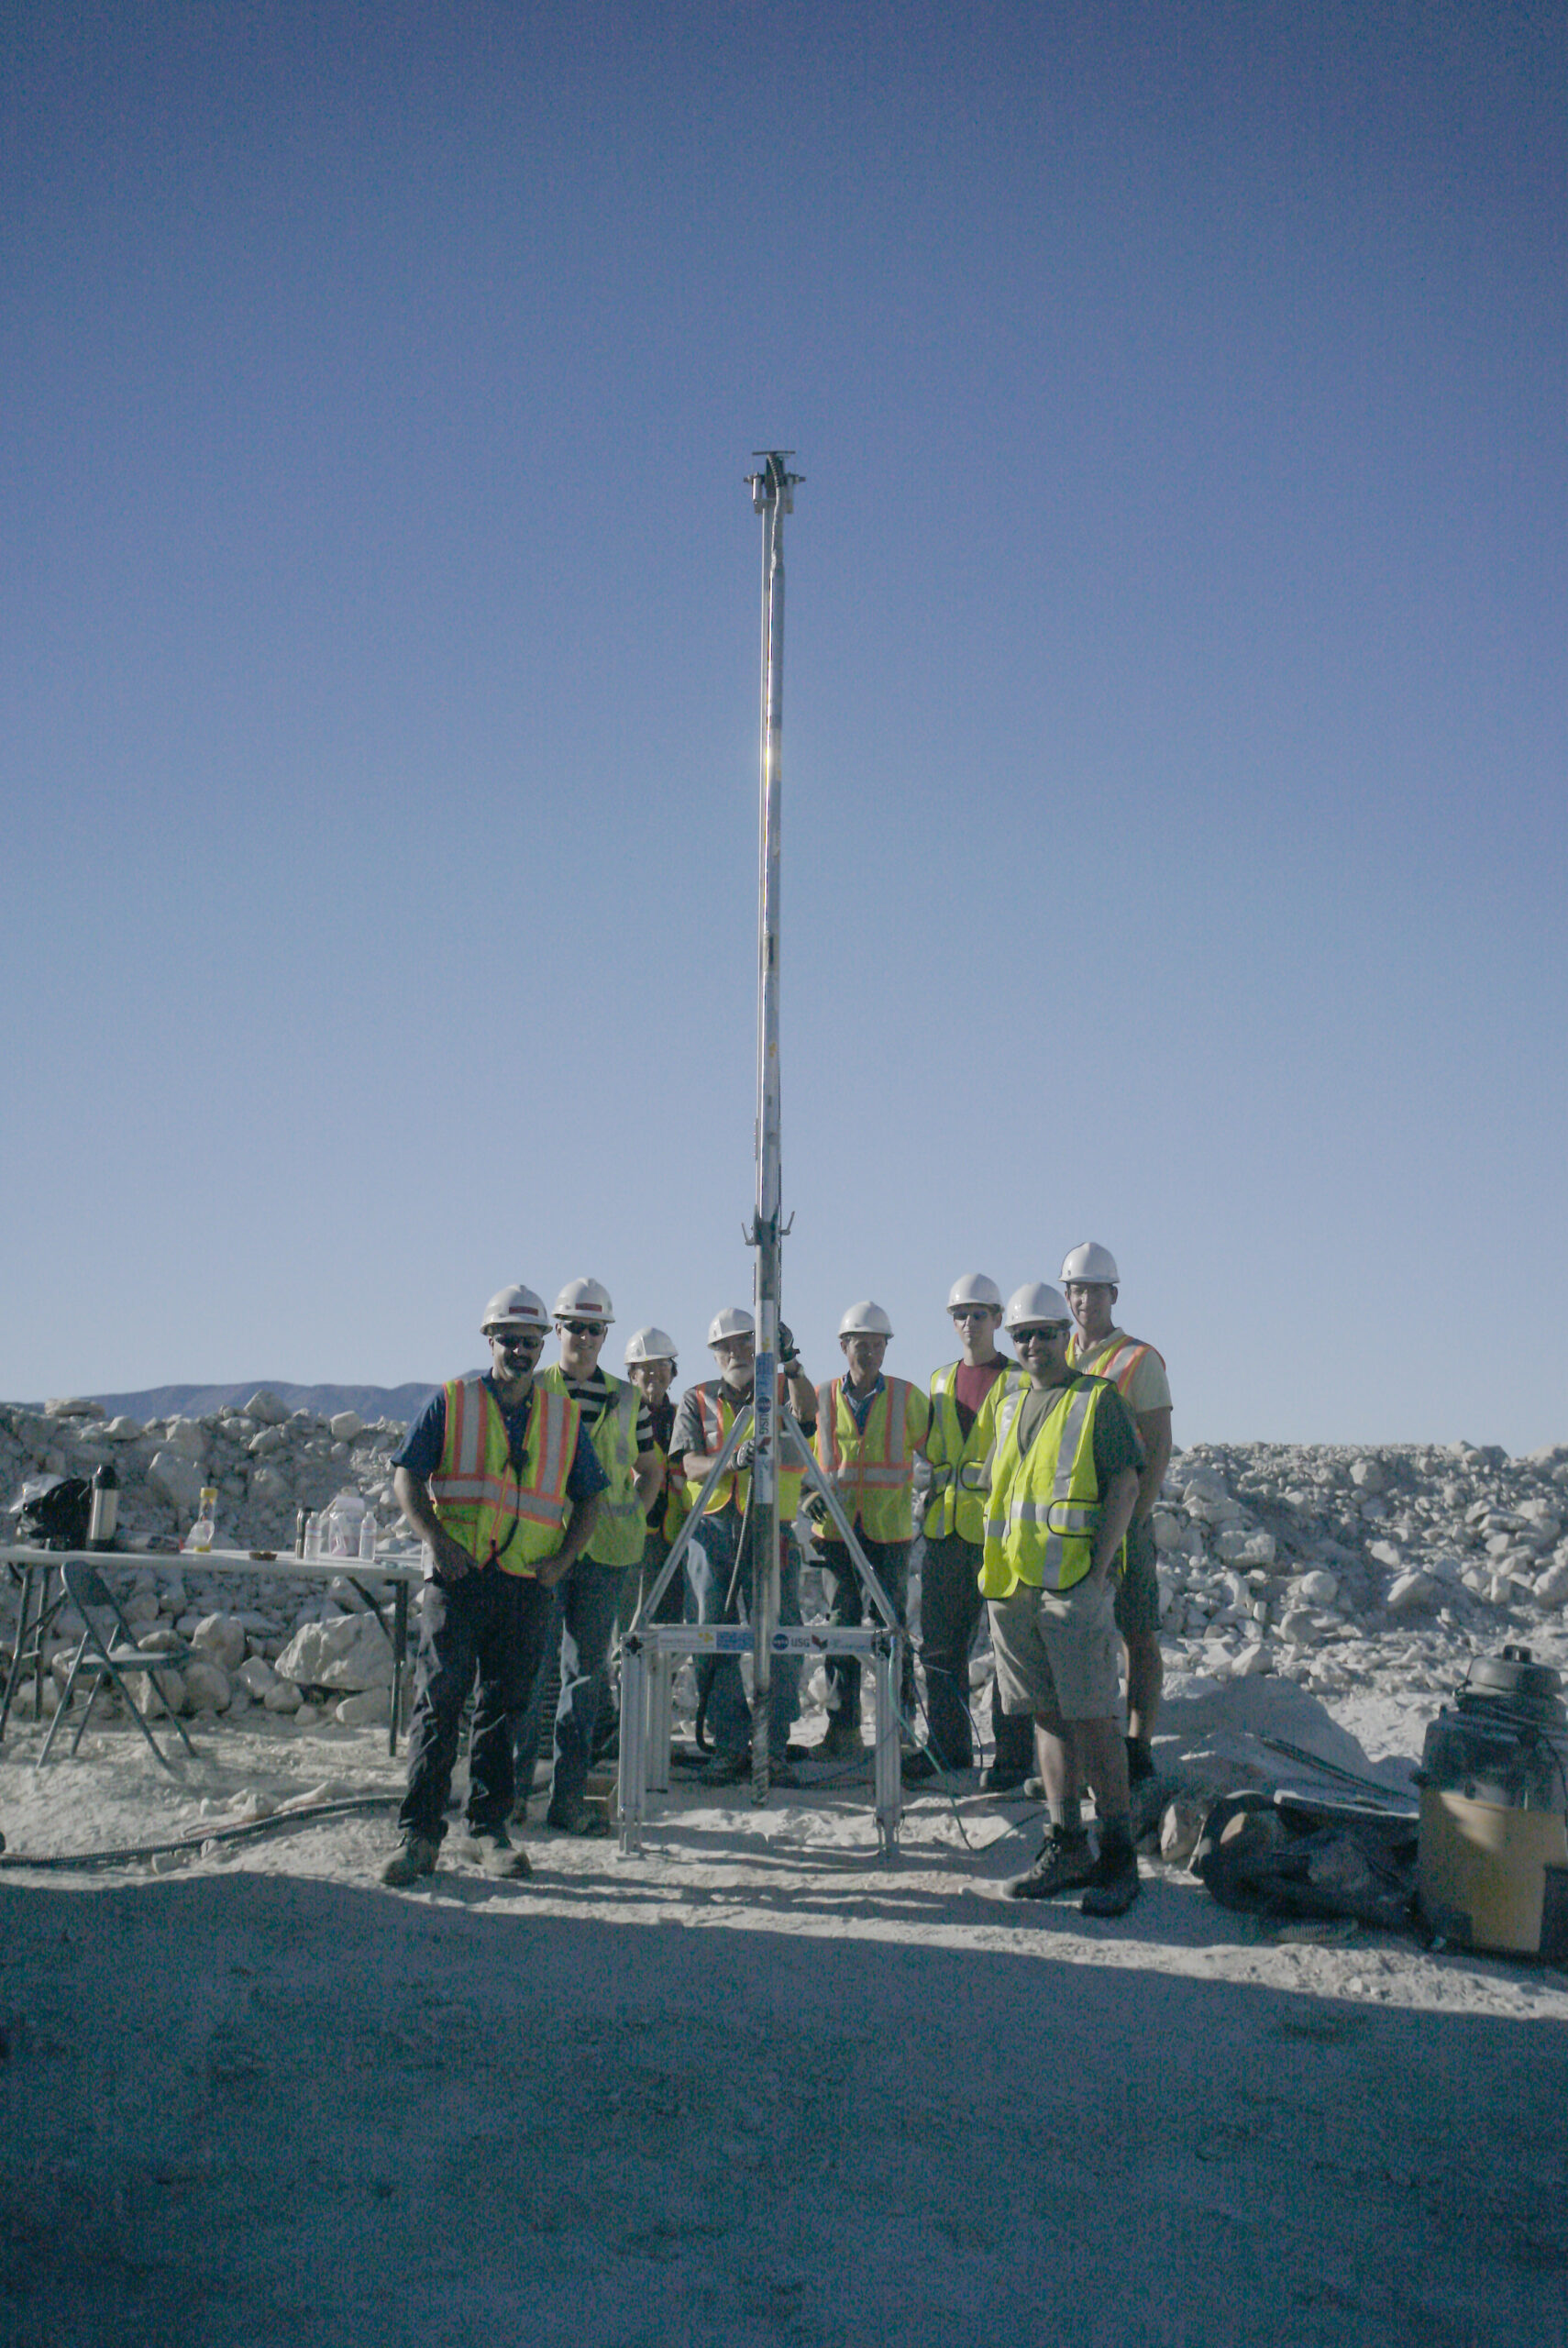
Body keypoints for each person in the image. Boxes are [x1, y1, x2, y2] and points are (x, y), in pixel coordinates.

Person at [381, 1284, 607, 1888]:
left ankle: (489, 1829)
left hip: (525, 1585)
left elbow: (590, 1496)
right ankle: (421, 1834)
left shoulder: (562, 1417)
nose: (520, 1350)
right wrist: (434, 1539)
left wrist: (560, 1564)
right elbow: (409, 1475)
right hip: (458, 1581)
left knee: (505, 1711)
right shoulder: (453, 1401)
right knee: (439, 1706)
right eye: (509, 1339)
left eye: (530, 1342)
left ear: (540, 1346)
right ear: (490, 1341)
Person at [979, 1282, 1144, 1914]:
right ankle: (1066, 1840)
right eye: (1022, 1334)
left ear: (1065, 1337)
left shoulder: (1095, 1400)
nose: (1032, 1344)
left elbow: (1125, 1486)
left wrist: (1099, 1573)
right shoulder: (1010, 1403)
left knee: (1094, 1720)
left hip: (1072, 1588)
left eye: (1045, 1332)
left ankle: (1119, 1855)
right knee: (1048, 1715)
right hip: (1017, 1589)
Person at [535, 1279, 662, 1833]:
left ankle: (566, 1799)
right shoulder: (535, 1390)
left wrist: (634, 1510)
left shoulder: (626, 1397)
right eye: (576, 1328)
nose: (585, 1339)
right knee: (529, 1673)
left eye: (595, 1330)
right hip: (539, 1550)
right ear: (558, 1330)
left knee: (585, 1678)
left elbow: (651, 1467)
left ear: (605, 1335)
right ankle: (512, 1794)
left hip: (606, 1554)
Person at [671, 1306, 815, 1784]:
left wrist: (790, 1364)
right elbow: (689, 1465)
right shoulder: (695, 1400)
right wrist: (732, 1459)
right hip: (712, 1531)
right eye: (725, 1346)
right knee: (712, 1635)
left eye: (743, 1343)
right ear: (714, 1355)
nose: (735, 1353)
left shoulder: (775, 1393)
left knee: (783, 1634)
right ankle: (731, 1743)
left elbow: (808, 1414)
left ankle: (771, 1745)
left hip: (770, 1527)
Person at [911, 1274, 1033, 1788]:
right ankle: (947, 1746)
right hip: (945, 1533)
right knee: (940, 1647)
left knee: (1008, 1648)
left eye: (978, 1314)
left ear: (998, 1320)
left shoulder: (1018, 1380)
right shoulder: (938, 1381)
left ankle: (1012, 1758)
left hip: (999, 1535)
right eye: (959, 1315)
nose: (968, 1323)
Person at [1060, 1242, 1173, 1793]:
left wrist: (1133, 1521)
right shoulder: (1057, 1357)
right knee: (1081, 1636)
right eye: (1077, 1290)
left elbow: (1156, 1448)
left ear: (1113, 1295)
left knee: (1136, 1632)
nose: (1086, 1300)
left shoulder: (1138, 1359)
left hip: (1125, 1518)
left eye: (1095, 1290)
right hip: (1071, 1524)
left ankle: (1139, 1742)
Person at [811, 1301, 931, 1761]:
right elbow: (798, 1454)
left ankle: (899, 1724)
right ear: (844, 1347)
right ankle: (841, 1729)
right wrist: (806, 1493)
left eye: (877, 1345)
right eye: (861, 1344)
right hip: (837, 1532)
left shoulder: (906, 1396)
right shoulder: (821, 1398)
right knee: (840, 1627)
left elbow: (934, 1450)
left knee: (891, 1628)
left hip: (889, 1533)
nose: (870, 1353)